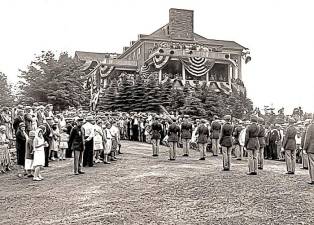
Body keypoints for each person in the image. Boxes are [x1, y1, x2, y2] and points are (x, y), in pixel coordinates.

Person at [304, 118, 314, 185]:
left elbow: (307, 139)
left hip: (311, 148)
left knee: (312, 164)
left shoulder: (310, 127)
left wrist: (305, 148)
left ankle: (313, 179)